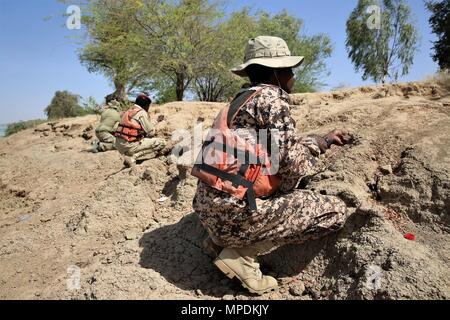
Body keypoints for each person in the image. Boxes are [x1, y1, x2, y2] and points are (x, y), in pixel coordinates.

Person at [191, 36, 352, 295]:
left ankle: (218, 243)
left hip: (208, 213)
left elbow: (272, 151)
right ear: (277, 73)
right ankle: (240, 255)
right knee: (335, 212)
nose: (293, 76)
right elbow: (292, 166)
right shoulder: (272, 98)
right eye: (290, 69)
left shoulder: (238, 102)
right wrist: (311, 167)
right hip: (236, 218)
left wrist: (321, 140)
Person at [114, 93, 165, 167]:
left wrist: (156, 121)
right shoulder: (141, 112)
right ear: (145, 105)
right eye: (148, 106)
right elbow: (151, 132)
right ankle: (133, 158)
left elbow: (143, 127)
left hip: (119, 145)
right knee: (161, 142)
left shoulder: (129, 111)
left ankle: (131, 155)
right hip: (129, 145)